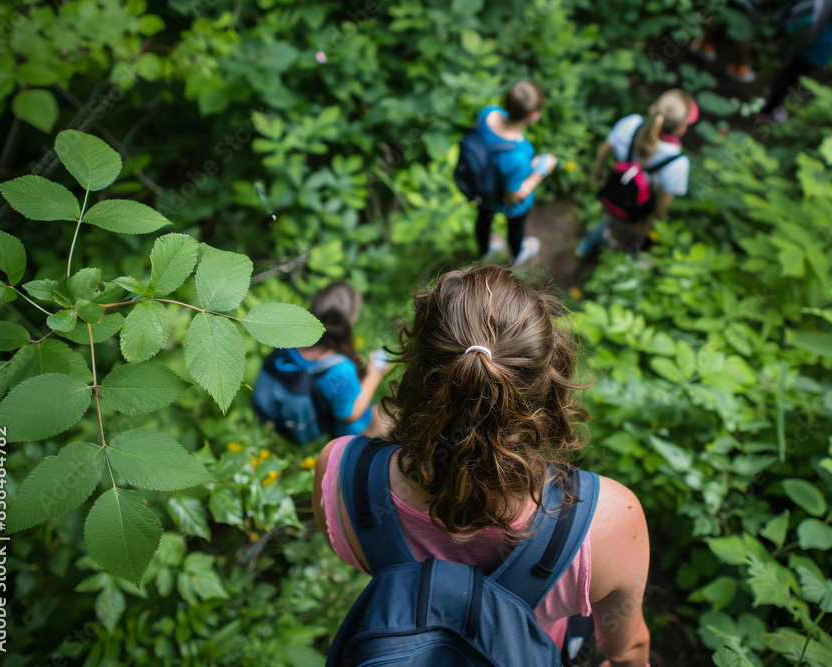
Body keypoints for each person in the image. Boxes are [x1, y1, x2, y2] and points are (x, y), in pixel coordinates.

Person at [312, 265, 652, 666]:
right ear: (549, 389)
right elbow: (627, 649)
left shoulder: (343, 475)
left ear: (416, 371)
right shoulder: (609, 522)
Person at [252, 282, 390, 444]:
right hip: (344, 434)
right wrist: (374, 375)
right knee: (386, 423)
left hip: (273, 416)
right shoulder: (341, 369)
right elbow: (349, 414)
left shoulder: (289, 339)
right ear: (349, 320)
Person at [577, 89, 699, 257]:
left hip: (615, 194)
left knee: (606, 220)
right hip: (638, 213)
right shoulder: (678, 163)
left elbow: (604, 150)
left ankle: (587, 245)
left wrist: (597, 174)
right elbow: (663, 204)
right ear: (680, 129)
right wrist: (655, 219)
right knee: (627, 239)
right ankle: (615, 256)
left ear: (652, 108)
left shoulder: (631, 123)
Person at [473, 80, 556, 267]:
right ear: (533, 115)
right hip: (502, 199)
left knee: (483, 220)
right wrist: (540, 171)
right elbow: (513, 197)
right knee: (515, 226)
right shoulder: (518, 155)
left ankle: (484, 251)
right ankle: (517, 254)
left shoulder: (488, 114)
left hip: (482, 188)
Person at [760, 0, 832, 123]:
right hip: (821, 42)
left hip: (805, 28)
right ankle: (768, 112)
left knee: (790, 71)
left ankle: (768, 106)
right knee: (796, 78)